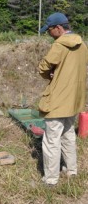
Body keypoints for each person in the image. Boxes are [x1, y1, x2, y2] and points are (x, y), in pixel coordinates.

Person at [38, 12, 88, 186]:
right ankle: (71, 171)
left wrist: (50, 74)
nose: (49, 34)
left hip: (58, 99)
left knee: (51, 140)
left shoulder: (59, 45)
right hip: (74, 99)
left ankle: (51, 180)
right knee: (68, 135)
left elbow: (44, 67)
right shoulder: (83, 45)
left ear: (58, 28)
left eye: (49, 30)